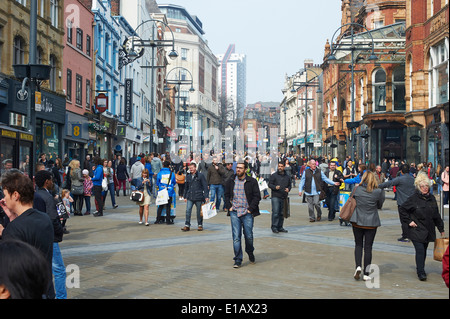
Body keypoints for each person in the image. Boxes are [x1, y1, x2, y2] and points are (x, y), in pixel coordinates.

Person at [0, 172, 54, 298]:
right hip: (46, 289)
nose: (4, 199)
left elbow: (11, 269)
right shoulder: (44, 218)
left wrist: (5, 232)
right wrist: (12, 218)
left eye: (5, 195)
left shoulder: (14, 229)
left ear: (15, 195)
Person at [399, 172, 445, 281]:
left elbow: (436, 215)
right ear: (418, 187)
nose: (425, 188)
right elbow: (402, 209)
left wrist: (441, 229)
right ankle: (421, 272)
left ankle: (420, 267)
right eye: (422, 186)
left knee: (424, 250)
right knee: (419, 249)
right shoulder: (413, 198)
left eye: (427, 186)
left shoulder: (432, 198)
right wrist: (409, 221)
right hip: (416, 229)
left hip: (428, 229)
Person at [33, 170, 67, 299]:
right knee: (59, 270)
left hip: (37, 237)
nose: (52, 182)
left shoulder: (35, 195)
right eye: (51, 180)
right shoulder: (48, 198)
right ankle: (61, 297)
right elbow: (53, 219)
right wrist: (59, 232)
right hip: (49, 238)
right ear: (47, 182)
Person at [224, 162, 261, 268]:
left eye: (241, 168)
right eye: (237, 168)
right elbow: (226, 195)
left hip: (247, 212)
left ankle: (250, 252)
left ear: (245, 170)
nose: (238, 170)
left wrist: (250, 209)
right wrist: (229, 207)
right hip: (235, 212)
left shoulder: (252, 181)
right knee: (236, 237)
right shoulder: (231, 181)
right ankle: (238, 259)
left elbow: (257, 196)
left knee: (248, 236)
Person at [350, 171, 385, 281]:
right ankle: (366, 273)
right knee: (368, 247)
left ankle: (358, 266)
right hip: (371, 222)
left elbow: (352, 200)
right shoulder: (378, 191)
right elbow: (379, 205)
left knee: (358, 244)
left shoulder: (356, 189)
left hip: (357, 220)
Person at [378, 164, 415, 242]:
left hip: (402, 203)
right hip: (412, 203)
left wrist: (378, 186)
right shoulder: (413, 179)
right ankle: (411, 234)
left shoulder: (399, 179)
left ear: (401, 171)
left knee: (404, 220)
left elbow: (388, 183)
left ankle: (405, 236)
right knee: (411, 218)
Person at [182, 162, 209, 231]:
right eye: (189, 168)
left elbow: (205, 186)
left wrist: (206, 196)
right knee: (188, 211)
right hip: (190, 196)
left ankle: (200, 225)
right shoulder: (188, 176)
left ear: (195, 168)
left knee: (199, 212)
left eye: (192, 168)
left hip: (199, 196)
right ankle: (187, 225)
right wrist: (185, 196)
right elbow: (186, 187)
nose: (190, 169)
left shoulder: (200, 175)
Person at [268, 161, 291, 233]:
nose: (280, 168)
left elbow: (289, 185)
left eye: (281, 166)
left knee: (282, 213)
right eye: (279, 166)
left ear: (284, 167)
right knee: (275, 212)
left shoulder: (287, 176)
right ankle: (274, 227)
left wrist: (288, 189)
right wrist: (275, 187)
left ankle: (280, 226)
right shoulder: (274, 175)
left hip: (283, 196)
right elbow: (270, 184)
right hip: (276, 196)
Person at [156, 160, 176, 225]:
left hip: (161, 190)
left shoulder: (160, 173)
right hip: (169, 191)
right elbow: (174, 182)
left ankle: (158, 219)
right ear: (169, 166)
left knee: (161, 205)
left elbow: (157, 182)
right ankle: (168, 220)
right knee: (168, 206)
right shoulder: (171, 173)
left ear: (163, 165)